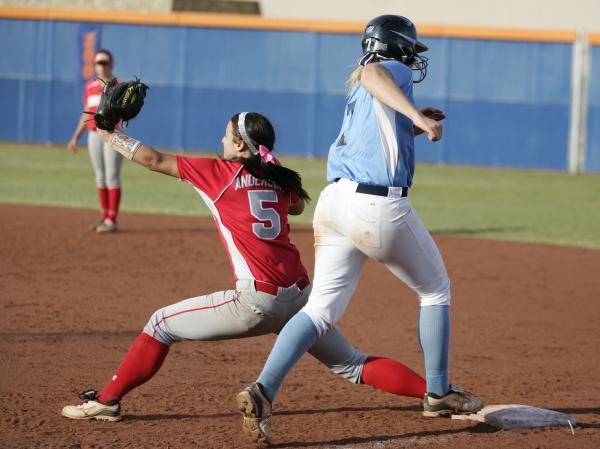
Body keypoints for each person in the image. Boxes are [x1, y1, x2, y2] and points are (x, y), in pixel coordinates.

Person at [61, 111, 429, 427]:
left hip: (255, 303)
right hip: (303, 301)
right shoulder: (279, 179)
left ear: (240, 146)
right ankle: (436, 394)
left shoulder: (218, 173)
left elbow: (154, 159)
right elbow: (297, 207)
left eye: (226, 135)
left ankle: (107, 402)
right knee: (351, 365)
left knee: (160, 324)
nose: (220, 139)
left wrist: (110, 133)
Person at [237, 15, 484, 446]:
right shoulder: (386, 69)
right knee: (435, 290)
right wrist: (418, 118)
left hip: (335, 203)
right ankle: (438, 393)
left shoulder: (359, 84)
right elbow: (375, 72)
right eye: (410, 49)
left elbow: (372, 115)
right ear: (397, 47)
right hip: (376, 204)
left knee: (319, 311)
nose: (413, 58)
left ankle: (262, 390)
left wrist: (409, 120)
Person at [67, 49, 123, 233]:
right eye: (99, 62)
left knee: (112, 177)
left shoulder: (119, 85)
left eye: (105, 62)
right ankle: (104, 216)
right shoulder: (90, 86)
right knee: (100, 177)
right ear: (95, 65)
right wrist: (76, 137)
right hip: (93, 135)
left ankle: (111, 220)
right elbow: (87, 113)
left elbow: (127, 110)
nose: (102, 66)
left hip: (112, 134)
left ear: (111, 64)